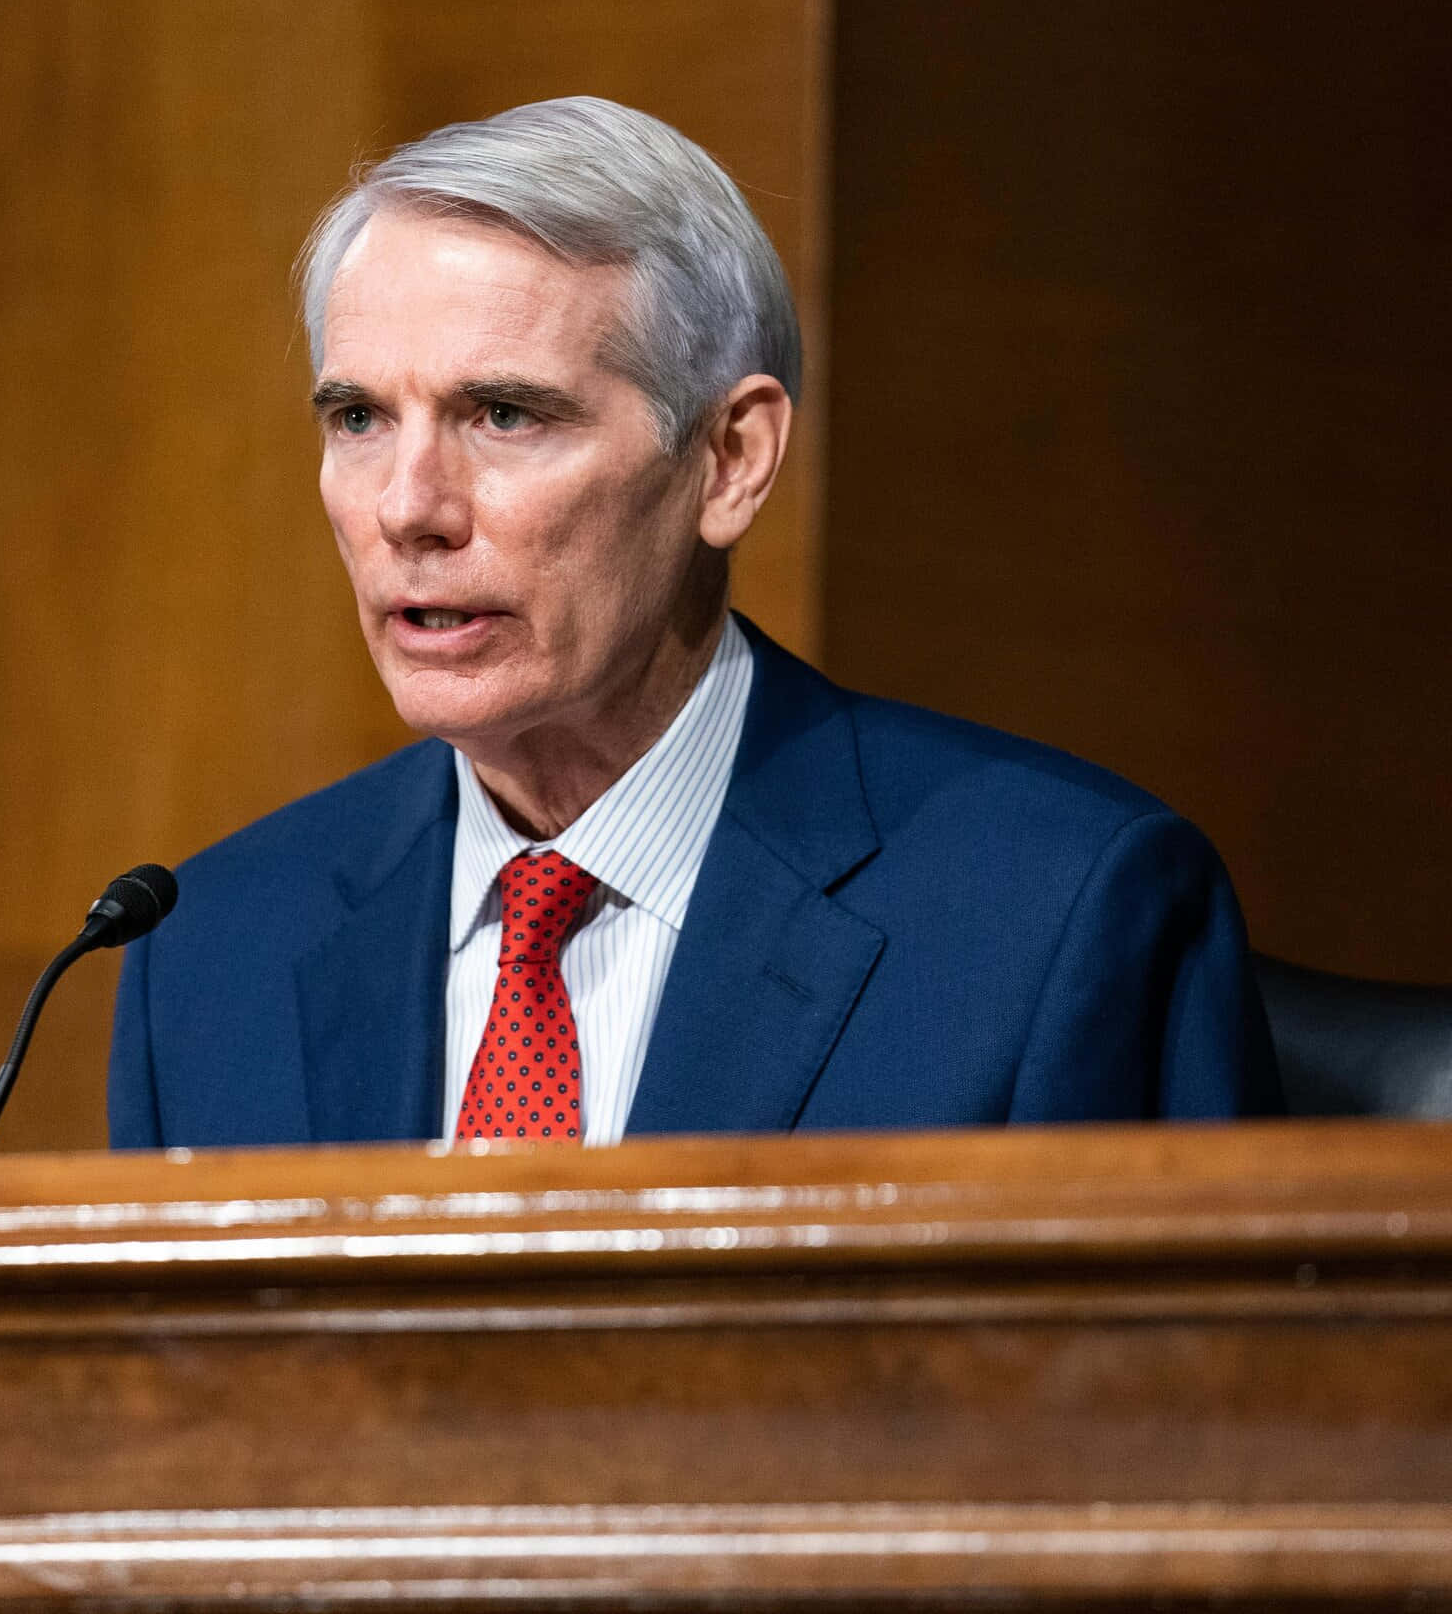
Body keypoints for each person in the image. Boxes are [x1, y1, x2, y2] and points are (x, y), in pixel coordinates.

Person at [109, 96, 1282, 1150]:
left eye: (505, 413)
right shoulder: (211, 955)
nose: (409, 505)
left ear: (730, 459)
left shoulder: (1056, 918)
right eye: (360, 416)